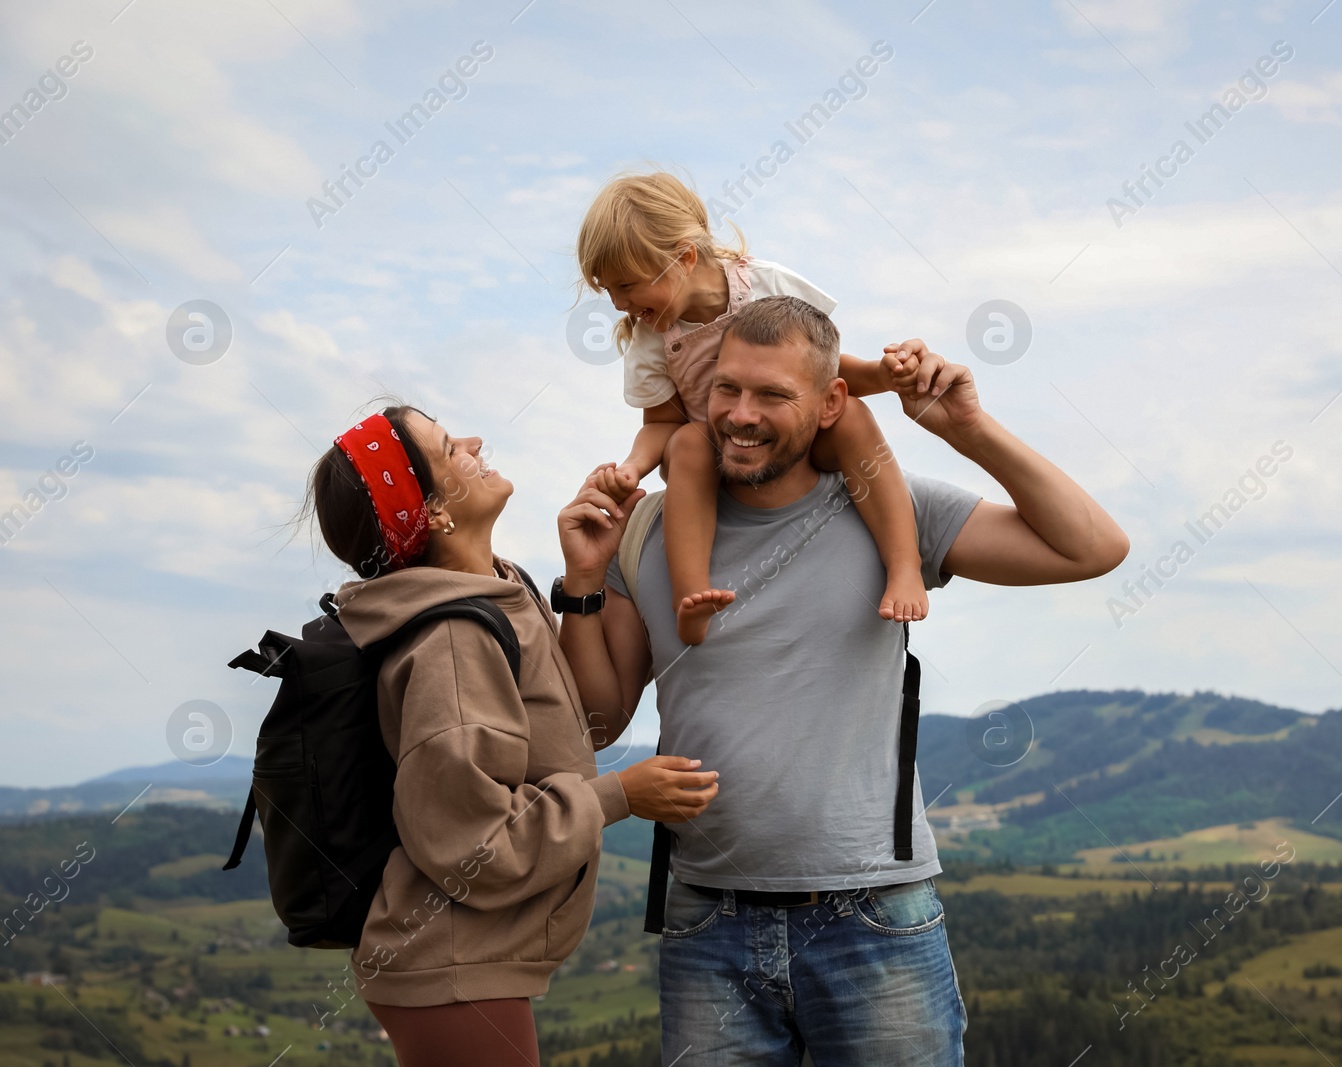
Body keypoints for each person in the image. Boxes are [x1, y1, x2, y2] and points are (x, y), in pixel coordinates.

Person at [555, 298, 1129, 1065]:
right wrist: (584, 583)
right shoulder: (647, 530)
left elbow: (1092, 547)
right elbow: (595, 724)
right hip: (704, 919)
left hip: (875, 918)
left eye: (772, 395)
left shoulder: (885, 507)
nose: (740, 414)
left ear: (831, 403)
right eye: (726, 389)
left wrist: (968, 430)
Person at [305, 405, 720, 1067]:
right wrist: (620, 796)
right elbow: (478, 842)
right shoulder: (452, 639)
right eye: (449, 449)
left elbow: (578, 730)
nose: (473, 440)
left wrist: (583, 580)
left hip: (464, 963)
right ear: (435, 513)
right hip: (448, 968)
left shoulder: (501, 588)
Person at [576, 171, 929, 644]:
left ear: (682, 258)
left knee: (852, 416)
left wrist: (883, 377)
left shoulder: (766, 284)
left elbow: (821, 370)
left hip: (792, 442)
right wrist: (633, 467)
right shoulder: (652, 340)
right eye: (610, 292)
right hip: (722, 459)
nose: (620, 303)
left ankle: (905, 564)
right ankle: (692, 598)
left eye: (627, 285)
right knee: (686, 442)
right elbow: (661, 422)